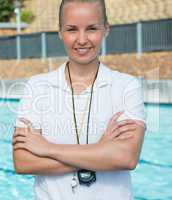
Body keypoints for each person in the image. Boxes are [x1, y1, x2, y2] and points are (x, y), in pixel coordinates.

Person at [12, 0, 146, 199]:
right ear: (60, 32)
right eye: (72, 29)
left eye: (91, 29)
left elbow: (126, 158)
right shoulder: (37, 87)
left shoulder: (126, 86)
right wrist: (100, 151)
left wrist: (47, 148)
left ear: (105, 29)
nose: (82, 40)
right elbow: (23, 162)